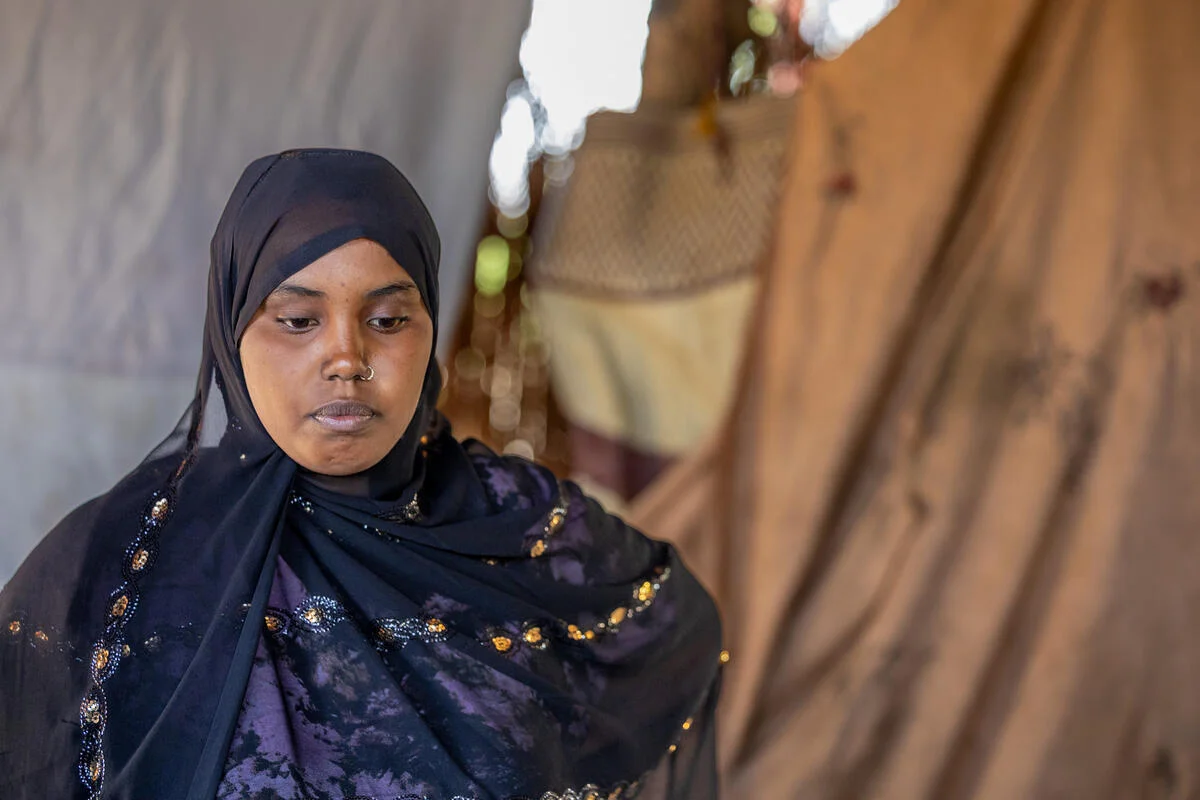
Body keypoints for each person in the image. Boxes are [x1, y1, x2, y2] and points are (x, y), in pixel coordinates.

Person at [0, 149, 723, 800]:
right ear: (231, 328)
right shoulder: (124, 563)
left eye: (386, 320)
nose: (346, 357)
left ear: (431, 327)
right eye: (297, 321)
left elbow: (676, 644)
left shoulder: (521, 529)